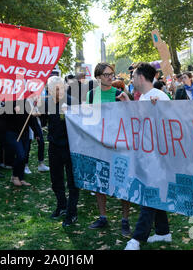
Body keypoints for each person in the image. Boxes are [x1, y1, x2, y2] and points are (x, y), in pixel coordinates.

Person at [124, 62, 172, 250]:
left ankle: (137, 238)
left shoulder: (158, 97)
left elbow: (171, 123)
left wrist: (158, 111)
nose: (132, 79)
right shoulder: (145, 97)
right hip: (147, 154)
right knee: (155, 192)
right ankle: (163, 232)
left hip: (159, 156)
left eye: (134, 76)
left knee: (148, 195)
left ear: (141, 77)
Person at [86, 62, 132, 237]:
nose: (110, 77)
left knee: (122, 183)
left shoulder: (119, 94)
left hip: (118, 146)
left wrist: (127, 103)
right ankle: (103, 216)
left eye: (111, 74)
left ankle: (125, 220)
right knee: (100, 183)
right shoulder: (91, 95)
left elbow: (132, 117)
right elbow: (87, 119)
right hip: (99, 145)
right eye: (106, 74)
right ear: (98, 78)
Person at [43, 76, 79, 227]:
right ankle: (62, 205)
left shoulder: (72, 101)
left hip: (70, 146)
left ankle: (72, 213)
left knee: (72, 181)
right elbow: (44, 122)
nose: (58, 92)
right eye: (54, 90)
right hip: (54, 146)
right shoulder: (47, 102)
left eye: (60, 88)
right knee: (56, 179)